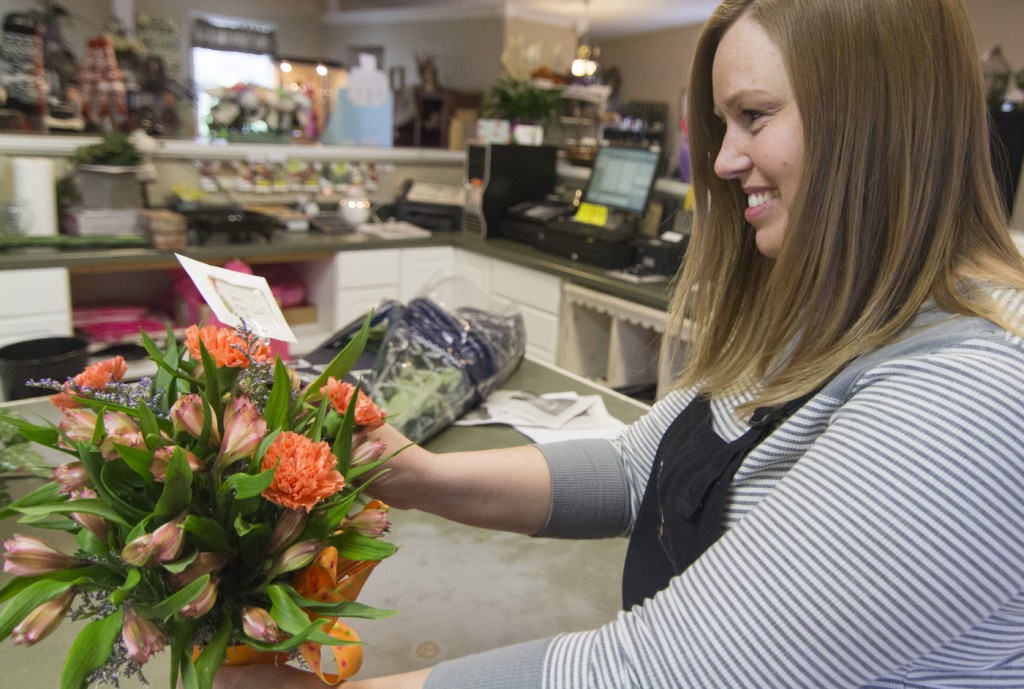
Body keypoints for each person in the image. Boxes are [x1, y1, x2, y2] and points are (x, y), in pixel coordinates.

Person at [216, 0, 1024, 686]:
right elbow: (642, 468)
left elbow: (646, 671)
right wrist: (418, 476)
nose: (724, 158)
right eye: (720, 123)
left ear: (873, 119)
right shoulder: (835, 311)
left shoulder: (971, 401)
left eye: (754, 116)